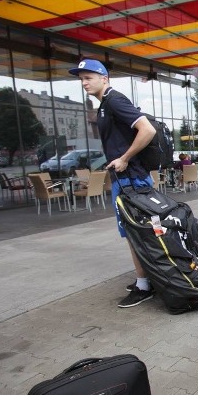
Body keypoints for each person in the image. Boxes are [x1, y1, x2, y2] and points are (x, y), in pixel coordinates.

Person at [69, 58, 157, 309]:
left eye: (88, 78)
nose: (84, 83)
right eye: (81, 79)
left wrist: (125, 158)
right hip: (129, 179)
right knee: (137, 232)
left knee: (134, 233)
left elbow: (147, 130)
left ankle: (143, 286)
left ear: (104, 78)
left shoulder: (115, 100)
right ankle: (148, 279)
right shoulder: (106, 104)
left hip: (132, 181)